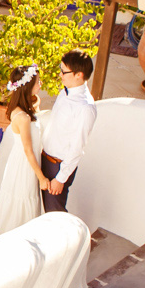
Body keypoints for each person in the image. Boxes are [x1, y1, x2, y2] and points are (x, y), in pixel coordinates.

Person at [0, 64, 48, 234]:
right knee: (24, 198)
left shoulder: (21, 110)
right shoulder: (22, 117)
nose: (40, 85)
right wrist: (42, 178)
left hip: (21, 162)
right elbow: (28, 150)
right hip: (25, 165)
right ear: (28, 86)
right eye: (38, 82)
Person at [40, 50, 97, 213]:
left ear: (79, 75)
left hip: (58, 167)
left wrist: (60, 178)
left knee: (55, 213)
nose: (60, 75)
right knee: (42, 209)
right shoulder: (64, 92)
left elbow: (77, 148)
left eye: (64, 72)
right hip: (45, 157)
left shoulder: (85, 108)